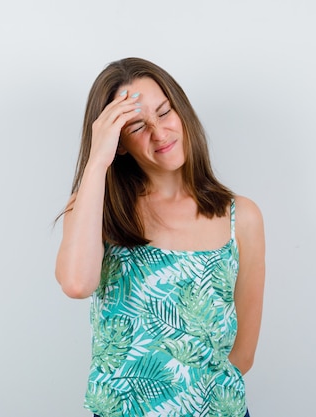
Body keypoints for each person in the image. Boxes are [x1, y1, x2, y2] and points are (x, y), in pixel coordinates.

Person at [55, 57, 265, 417]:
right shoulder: (98, 209)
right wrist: (97, 161)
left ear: (180, 109)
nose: (159, 132)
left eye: (164, 112)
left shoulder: (240, 216)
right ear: (118, 142)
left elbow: (242, 354)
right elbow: (76, 284)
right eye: (136, 126)